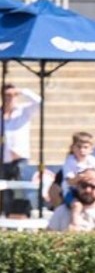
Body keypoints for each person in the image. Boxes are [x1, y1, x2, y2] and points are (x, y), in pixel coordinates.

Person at [1, 83, 41, 215]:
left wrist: (23, 91)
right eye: (7, 95)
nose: (10, 98)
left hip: (20, 158)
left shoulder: (23, 112)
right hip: (3, 159)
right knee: (6, 192)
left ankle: (25, 215)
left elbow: (38, 101)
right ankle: (7, 216)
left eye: (13, 95)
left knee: (23, 189)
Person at [46, 168, 95, 232]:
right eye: (84, 185)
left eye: (93, 186)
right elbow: (48, 239)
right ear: (77, 186)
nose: (88, 190)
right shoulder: (62, 212)